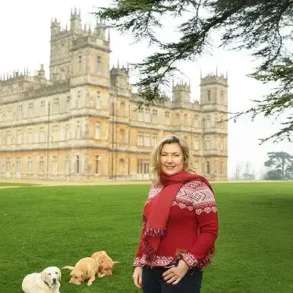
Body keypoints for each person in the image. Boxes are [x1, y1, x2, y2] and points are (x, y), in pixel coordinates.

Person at [132, 135, 218, 293]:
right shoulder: (156, 187)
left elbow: (210, 231)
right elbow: (147, 230)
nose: (169, 160)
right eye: (164, 154)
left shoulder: (198, 187)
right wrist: (139, 264)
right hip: (150, 269)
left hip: (180, 270)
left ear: (184, 158)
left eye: (175, 155)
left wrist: (185, 264)